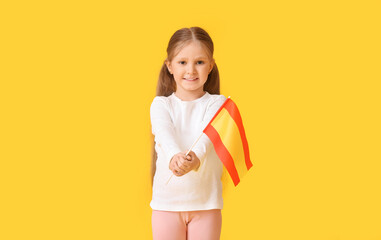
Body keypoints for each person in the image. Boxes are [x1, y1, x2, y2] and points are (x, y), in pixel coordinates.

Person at [150, 26, 227, 240]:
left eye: (199, 62)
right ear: (170, 66)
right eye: (182, 62)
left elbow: (207, 137)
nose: (191, 70)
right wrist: (175, 156)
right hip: (167, 205)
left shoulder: (219, 104)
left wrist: (194, 159)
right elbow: (164, 134)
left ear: (210, 66)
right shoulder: (160, 105)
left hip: (206, 204)